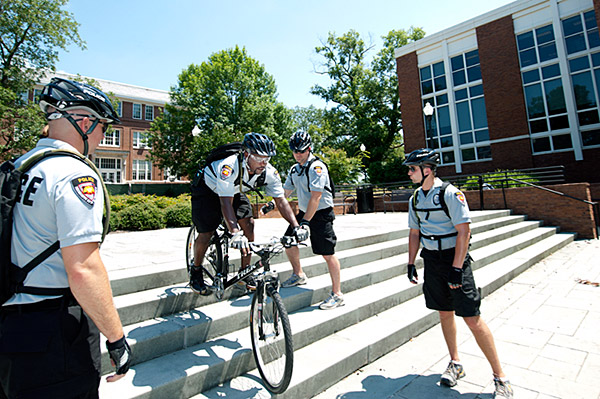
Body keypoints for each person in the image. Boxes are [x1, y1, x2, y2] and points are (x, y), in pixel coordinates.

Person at [0, 78, 131, 398]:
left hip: (9, 325)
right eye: (103, 128)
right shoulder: (74, 174)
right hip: (54, 331)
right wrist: (116, 339)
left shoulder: (19, 166)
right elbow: (83, 269)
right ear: (85, 122)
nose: (102, 137)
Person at [404, 148, 513, 399]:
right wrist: (410, 263)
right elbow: (414, 234)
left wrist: (456, 269)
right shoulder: (415, 199)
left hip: (455, 260)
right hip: (432, 260)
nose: (409, 173)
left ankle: (500, 376)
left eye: (412, 169)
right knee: (444, 313)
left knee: (472, 317)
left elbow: (464, 232)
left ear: (427, 170)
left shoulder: (451, 194)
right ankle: (455, 363)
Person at [190, 132, 308, 295]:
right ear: (246, 155)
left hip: (234, 189)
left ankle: (244, 272)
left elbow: (281, 201)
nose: (263, 163)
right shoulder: (229, 166)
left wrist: (296, 226)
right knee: (206, 231)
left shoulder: (269, 172)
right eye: (259, 158)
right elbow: (226, 202)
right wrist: (235, 233)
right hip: (207, 189)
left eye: (267, 159)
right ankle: (196, 271)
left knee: (249, 224)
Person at [281, 130, 344, 310]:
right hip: (303, 213)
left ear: (309, 149)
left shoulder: (317, 167)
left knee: (327, 253)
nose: (297, 154)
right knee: (288, 241)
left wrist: (306, 223)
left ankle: (337, 294)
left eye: (301, 151)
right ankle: (298, 274)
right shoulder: (295, 169)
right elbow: (285, 192)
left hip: (320, 213)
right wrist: (272, 204)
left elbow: (316, 197)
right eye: (295, 151)